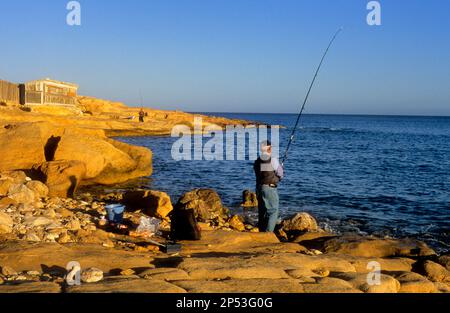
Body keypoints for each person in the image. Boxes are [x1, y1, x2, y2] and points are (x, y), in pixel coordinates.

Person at [253, 140, 284, 232]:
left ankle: (262, 232)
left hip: (259, 188)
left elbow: (264, 173)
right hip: (269, 189)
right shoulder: (273, 159)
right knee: (273, 211)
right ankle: (268, 234)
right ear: (269, 149)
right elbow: (280, 174)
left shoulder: (257, 161)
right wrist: (281, 168)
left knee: (262, 212)